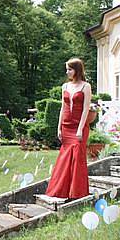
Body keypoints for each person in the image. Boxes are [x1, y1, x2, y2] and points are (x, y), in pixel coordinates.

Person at [45, 58, 91, 199]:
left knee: (77, 158)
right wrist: (59, 128)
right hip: (66, 126)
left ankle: (77, 192)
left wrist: (80, 128)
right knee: (65, 158)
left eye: (70, 69)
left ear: (77, 70)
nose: (67, 72)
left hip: (79, 127)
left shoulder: (86, 86)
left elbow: (86, 109)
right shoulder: (65, 86)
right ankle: (61, 190)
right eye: (67, 69)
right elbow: (62, 108)